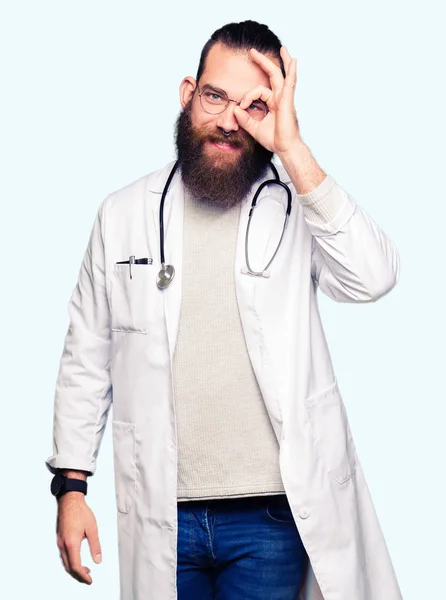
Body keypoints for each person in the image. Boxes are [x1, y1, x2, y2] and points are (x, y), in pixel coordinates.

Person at [45, 19, 403, 600]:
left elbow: (373, 277)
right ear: (189, 94)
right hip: (165, 513)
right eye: (216, 97)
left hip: (269, 519)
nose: (230, 120)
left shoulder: (296, 205)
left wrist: (292, 147)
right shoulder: (123, 214)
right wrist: (71, 486)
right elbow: (87, 356)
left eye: (255, 106)